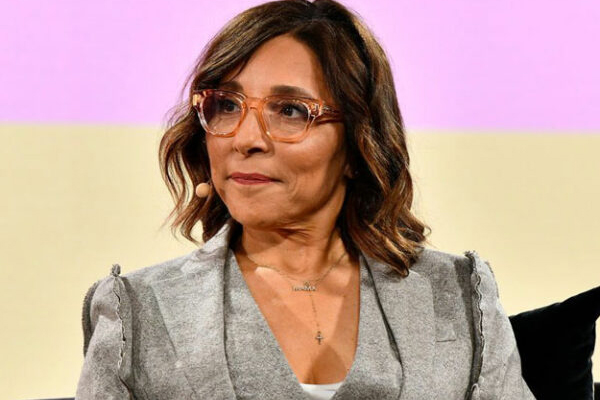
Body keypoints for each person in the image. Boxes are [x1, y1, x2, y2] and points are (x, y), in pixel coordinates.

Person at [76, 0, 536, 399]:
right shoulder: (136, 309)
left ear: (358, 144)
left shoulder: (458, 294)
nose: (246, 139)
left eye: (291, 111)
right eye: (227, 105)